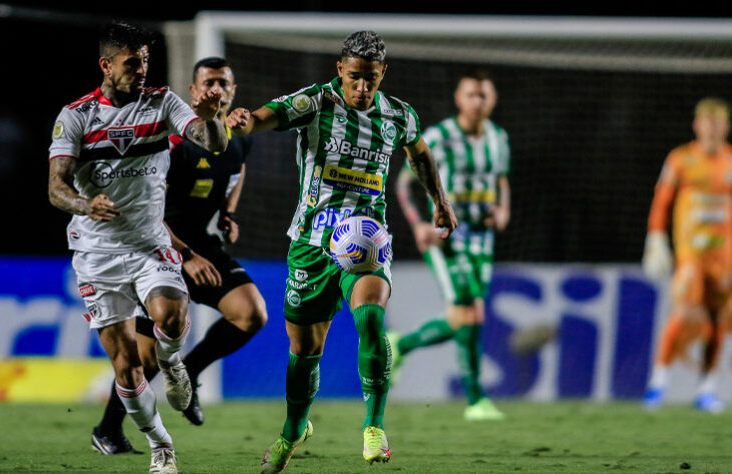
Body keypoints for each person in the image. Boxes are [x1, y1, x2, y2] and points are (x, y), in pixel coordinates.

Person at [227, 31, 457, 472]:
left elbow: (420, 155)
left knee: (370, 317)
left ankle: (374, 426)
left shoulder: (398, 115)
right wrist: (243, 122)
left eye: (370, 79)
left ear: (382, 73)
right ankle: (294, 429)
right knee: (304, 350)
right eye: (354, 78)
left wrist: (439, 200)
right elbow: (266, 117)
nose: (362, 88)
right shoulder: (315, 103)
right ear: (340, 71)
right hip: (311, 244)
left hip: (366, 242)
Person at [47, 22, 226, 474]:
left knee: (173, 316)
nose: (141, 69)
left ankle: (171, 364)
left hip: (150, 243)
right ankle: (160, 444)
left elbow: (214, 144)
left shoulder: (163, 102)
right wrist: (85, 204)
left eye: (145, 60)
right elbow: (56, 188)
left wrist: (211, 116)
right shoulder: (76, 117)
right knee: (126, 366)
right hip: (96, 253)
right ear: (106, 65)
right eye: (132, 63)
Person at [90, 56, 268, 455]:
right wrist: (185, 256)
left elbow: (239, 171)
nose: (215, 90)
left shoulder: (240, 136)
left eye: (223, 83)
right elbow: (146, 210)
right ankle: (108, 430)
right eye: (207, 83)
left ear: (233, 91)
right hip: (154, 246)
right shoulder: (174, 143)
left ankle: (188, 373)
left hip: (200, 245)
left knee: (251, 312)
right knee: (146, 360)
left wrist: (229, 213)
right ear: (193, 92)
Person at [390, 70, 510, 422]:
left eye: (484, 95)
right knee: (467, 313)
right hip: (446, 239)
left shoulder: (498, 138)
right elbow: (402, 184)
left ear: (493, 99)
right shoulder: (440, 136)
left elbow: (501, 180)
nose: (478, 101)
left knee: (468, 316)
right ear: (459, 99)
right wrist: (418, 224)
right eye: (471, 94)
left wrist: (503, 210)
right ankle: (476, 401)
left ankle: (400, 345)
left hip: (482, 239)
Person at [641, 97, 732, 413]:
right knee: (682, 312)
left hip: (725, 258)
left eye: (717, 124)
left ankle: (706, 390)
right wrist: (655, 237)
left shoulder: (731, 161)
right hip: (691, 254)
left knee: (720, 320)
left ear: (726, 127)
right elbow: (662, 200)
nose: (712, 130)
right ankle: (657, 384)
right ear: (697, 126)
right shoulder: (680, 160)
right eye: (707, 124)